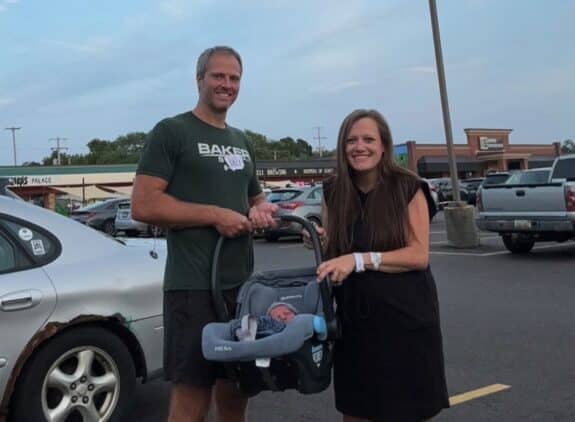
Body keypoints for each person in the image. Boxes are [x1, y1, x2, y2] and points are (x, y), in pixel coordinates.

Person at [131, 46, 278, 422]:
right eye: (218, 76)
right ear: (200, 79)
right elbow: (144, 205)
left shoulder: (242, 141)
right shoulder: (172, 131)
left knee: (236, 395)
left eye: (234, 78)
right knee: (191, 400)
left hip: (241, 290)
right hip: (191, 288)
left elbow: (255, 199)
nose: (226, 85)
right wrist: (214, 215)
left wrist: (263, 211)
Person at [313, 109, 449, 421]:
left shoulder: (409, 187)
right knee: (357, 409)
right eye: (351, 140)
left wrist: (360, 259)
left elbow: (418, 255)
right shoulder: (333, 190)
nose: (359, 147)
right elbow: (335, 247)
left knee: (405, 411)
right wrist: (318, 240)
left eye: (368, 139)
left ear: (384, 145)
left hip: (405, 320)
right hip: (354, 323)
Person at [232, 302, 298, 340]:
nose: (283, 317)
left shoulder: (302, 320)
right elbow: (258, 322)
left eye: (287, 313)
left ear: (295, 314)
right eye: (278, 317)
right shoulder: (269, 323)